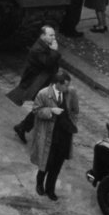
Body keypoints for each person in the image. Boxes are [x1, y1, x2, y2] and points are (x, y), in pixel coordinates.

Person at [28, 71, 79, 200]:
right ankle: (40, 182)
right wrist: (51, 111)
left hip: (64, 135)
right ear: (57, 84)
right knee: (47, 162)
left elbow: (75, 110)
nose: (67, 88)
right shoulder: (44, 94)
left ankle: (50, 189)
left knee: (57, 164)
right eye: (65, 86)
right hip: (49, 135)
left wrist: (71, 122)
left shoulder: (70, 93)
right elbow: (36, 110)